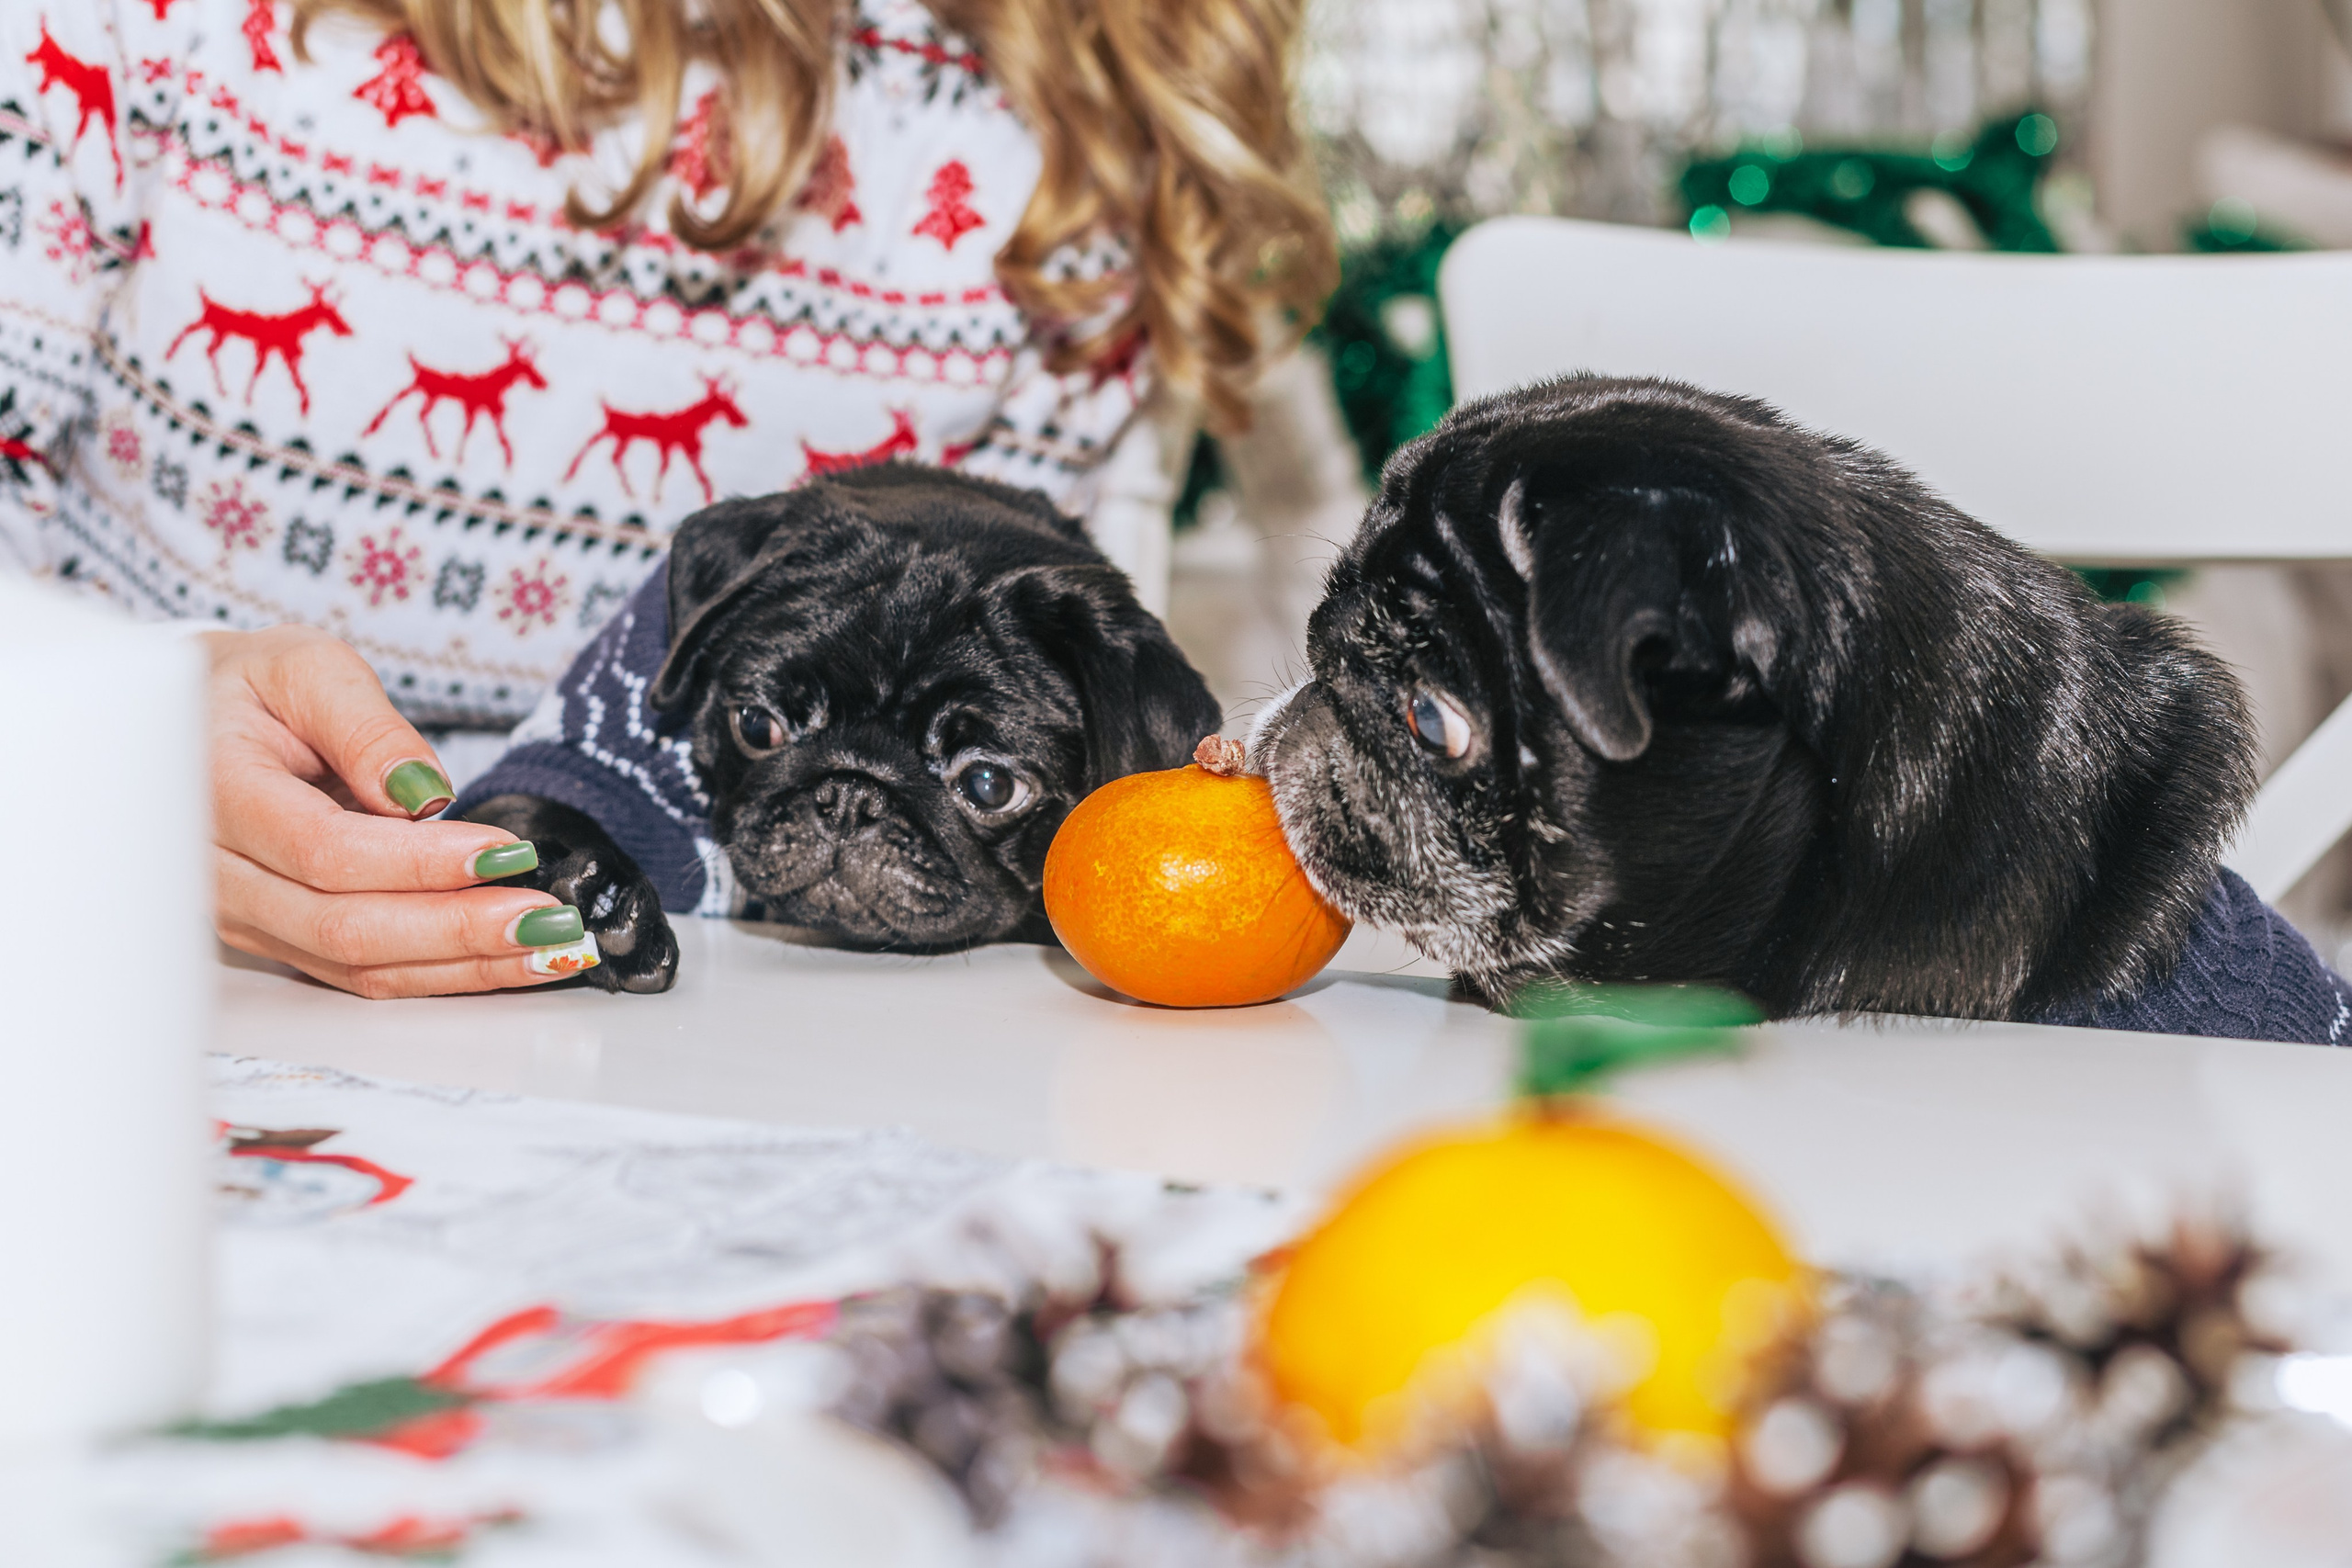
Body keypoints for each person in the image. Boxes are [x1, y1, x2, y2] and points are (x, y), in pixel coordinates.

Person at [0, 0, 1333, 996]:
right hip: (118, 970)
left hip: (777, 1036)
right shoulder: (149, 27)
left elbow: (1034, 675)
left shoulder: (1090, 113)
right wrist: (118, 722)